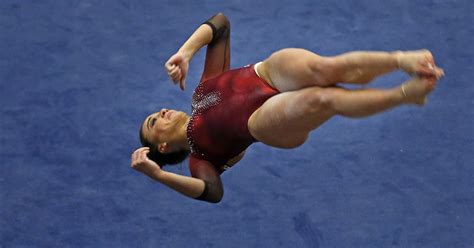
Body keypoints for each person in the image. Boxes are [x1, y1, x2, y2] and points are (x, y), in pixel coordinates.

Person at [131, 13, 444, 203]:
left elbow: (221, 25)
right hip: (265, 122)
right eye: (153, 121)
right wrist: (157, 175)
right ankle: (405, 94)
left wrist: (185, 53)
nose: (160, 112)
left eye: (155, 112)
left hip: (266, 72)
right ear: (162, 144)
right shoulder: (202, 157)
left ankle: (401, 59)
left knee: (325, 70)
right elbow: (211, 193)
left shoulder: (201, 90)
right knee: (323, 98)